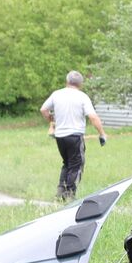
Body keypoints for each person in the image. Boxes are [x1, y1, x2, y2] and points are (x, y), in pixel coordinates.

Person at [40, 71, 107, 200]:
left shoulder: (56, 94)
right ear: (80, 84)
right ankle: (70, 195)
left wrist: (51, 121)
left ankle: (60, 191)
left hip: (60, 136)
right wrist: (102, 133)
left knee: (67, 163)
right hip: (75, 136)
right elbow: (93, 117)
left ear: (67, 81)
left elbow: (43, 110)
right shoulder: (82, 97)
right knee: (77, 165)